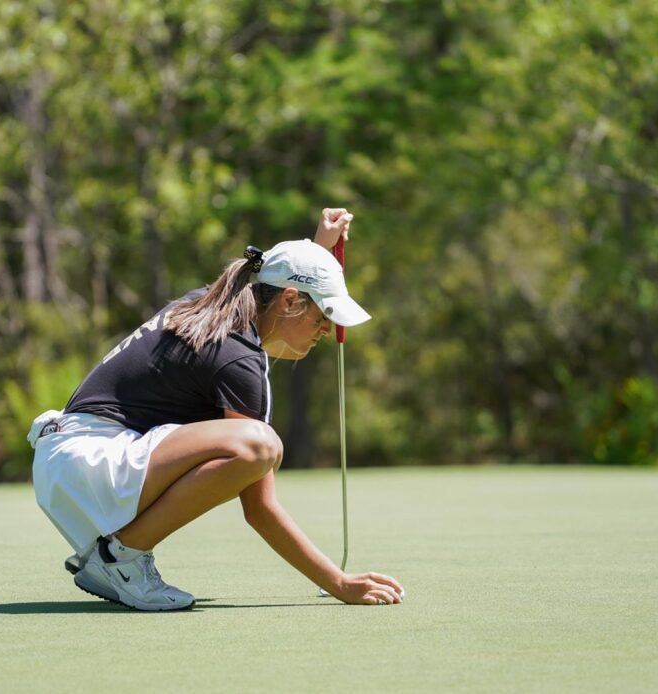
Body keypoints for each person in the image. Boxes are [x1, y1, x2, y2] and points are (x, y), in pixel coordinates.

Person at [27, 208, 404, 611]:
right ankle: (120, 559)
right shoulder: (239, 359)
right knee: (260, 447)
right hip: (93, 463)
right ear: (291, 301)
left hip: (69, 462)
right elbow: (259, 508)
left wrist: (317, 251)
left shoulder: (213, 305)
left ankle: (118, 555)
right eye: (323, 314)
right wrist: (339, 582)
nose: (326, 330)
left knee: (256, 444)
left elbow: (278, 278)